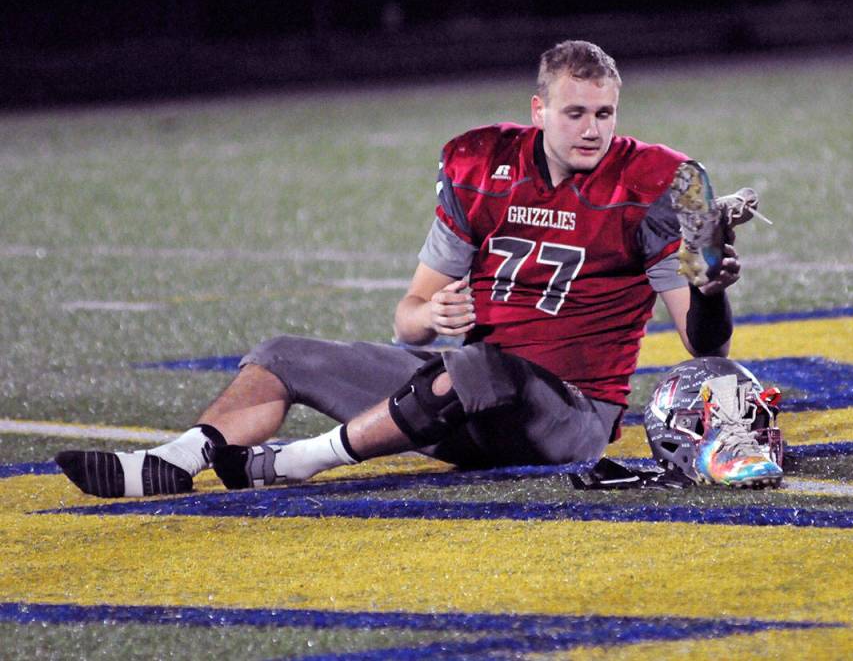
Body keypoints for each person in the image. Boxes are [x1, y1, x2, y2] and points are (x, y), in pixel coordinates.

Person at [56, 39, 773, 499]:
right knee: (281, 354)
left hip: (568, 415)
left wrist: (710, 288)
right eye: (575, 112)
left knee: (480, 366)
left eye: (605, 114)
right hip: (458, 398)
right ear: (539, 110)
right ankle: (179, 459)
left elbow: (703, 347)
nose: (591, 129)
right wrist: (431, 317)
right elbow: (407, 317)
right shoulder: (482, 163)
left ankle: (294, 462)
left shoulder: (659, 181)